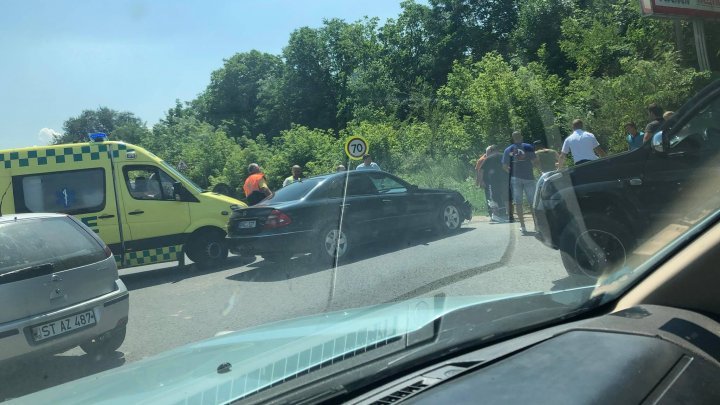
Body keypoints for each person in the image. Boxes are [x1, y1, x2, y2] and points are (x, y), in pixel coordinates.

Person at [502, 131, 538, 233]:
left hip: (515, 178)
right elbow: (535, 161)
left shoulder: (508, 150)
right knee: (532, 202)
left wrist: (511, 172)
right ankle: (536, 225)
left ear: (513, 138)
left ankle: (523, 226)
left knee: (518, 203)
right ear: (521, 137)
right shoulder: (528, 147)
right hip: (528, 177)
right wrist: (532, 168)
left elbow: (504, 166)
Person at [482, 145, 509, 222]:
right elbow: (508, 166)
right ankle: (508, 214)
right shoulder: (503, 155)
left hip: (493, 181)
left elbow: (481, 170)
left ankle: (498, 215)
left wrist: (481, 181)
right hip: (504, 180)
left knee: (495, 198)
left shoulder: (488, 158)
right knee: (506, 197)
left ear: (491, 150)